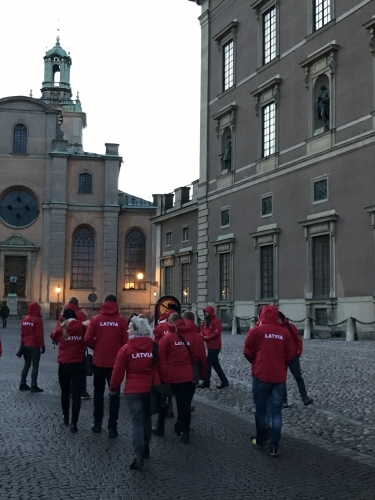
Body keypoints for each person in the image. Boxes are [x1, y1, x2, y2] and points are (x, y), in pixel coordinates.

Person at [244, 304, 295, 457]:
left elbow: (247, 350)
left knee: (260, 409)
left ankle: (260, 439)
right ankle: (274, 445)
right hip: (278, 377)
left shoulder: (256, 331)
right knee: (276, 412)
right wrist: (280, 363)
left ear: (262, 315)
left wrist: (256, 361)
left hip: (261, 374)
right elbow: (290, 354)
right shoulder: (284, 333)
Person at [109, 317, 157, 471]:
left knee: (137, 422)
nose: (127, 330)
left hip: (133, 391)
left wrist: (113, 387)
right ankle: (146, 446)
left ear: (136, 330)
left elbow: (117, 371)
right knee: (147, 419)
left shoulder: (126, 349)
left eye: (130, 327)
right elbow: (162, 368)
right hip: (150, 389)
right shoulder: (154, 347)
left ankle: (138, 455)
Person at [158, 313, 207, 444]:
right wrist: (203, 374)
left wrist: (161, 375)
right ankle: (185, 433)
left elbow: (160, 356)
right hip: (188, 375)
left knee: (164, 402)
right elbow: (202, 358)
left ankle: (160, 427)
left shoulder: (168, 337)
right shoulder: (197, 336)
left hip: (170, 376)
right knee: (184, 405)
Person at [84, 294, 128, 437]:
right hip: (116, 363)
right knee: (114, 394)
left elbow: (87, 339)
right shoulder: (121, 321)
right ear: (116, 304)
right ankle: (112, 427)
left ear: (104, 303)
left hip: (99, 361)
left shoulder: (96, 320)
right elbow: (126, 342)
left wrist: (97, 347)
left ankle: (97, 424)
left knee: (98, 393)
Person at [50, 309, 86, 433]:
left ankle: (65, 417)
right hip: (78, 364)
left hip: (64, 364)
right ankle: (74, 423)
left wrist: (60, 323)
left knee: (65, 392)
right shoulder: (81, 327)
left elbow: (53, 336)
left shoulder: (62, 328)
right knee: (76, 395)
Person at [56, 297, 91, 399]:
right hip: (79, 349)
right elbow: (87, 331)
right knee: (81, 371)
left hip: (64, 349)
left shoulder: (63, 315)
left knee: (66, 373)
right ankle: (81, 391)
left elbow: (57, 331)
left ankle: (69, 391)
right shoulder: (81, 314)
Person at [279, 312, 313, 408]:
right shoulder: (275, 329)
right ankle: (284, 401)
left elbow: (298, 340)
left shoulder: (290, 327)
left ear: (282, 319)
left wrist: (298, 352)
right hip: (281, 358)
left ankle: (305, 397)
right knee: (282, 380)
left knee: (298, 377)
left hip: (293, 357)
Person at [197, 306, 229, 389]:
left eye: (206, 312)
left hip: (215, 346)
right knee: (216, 365)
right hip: (210, 346)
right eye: (205, 312)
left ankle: (207, 382)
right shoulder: (205, 322)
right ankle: (224, 381)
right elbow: (202, 331)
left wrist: (206, 337)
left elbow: (216, 333)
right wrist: (202, 335)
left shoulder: (216, 321)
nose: (205, 314)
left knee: (208, 364)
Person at [19, 302, 45, 392]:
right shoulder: (38, 320)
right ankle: (33, 385)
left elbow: (22, 332)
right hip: (34, 345)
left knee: (26, 364)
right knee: (35, 366)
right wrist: (42, 345)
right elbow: (39, 335)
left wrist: (23, 343)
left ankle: (22, 383)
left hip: (25, 345)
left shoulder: (25, 319)